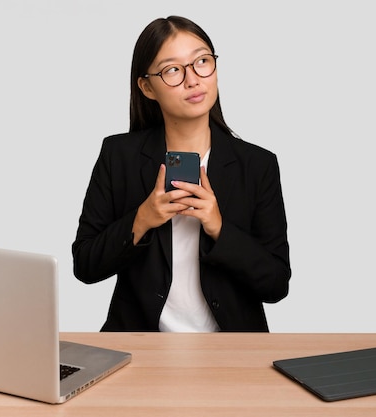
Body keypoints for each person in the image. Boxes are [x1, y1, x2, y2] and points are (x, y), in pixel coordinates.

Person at [72, 15, 290, 332]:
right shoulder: (119, 156)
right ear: (147, 87)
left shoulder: (257, 165)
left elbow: (276, 284)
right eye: (173, 70)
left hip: (232, 350)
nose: (192, 80)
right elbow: (85, 265)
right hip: (140, 347)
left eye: (202, 61)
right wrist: (142, 218)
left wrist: (218, 227)